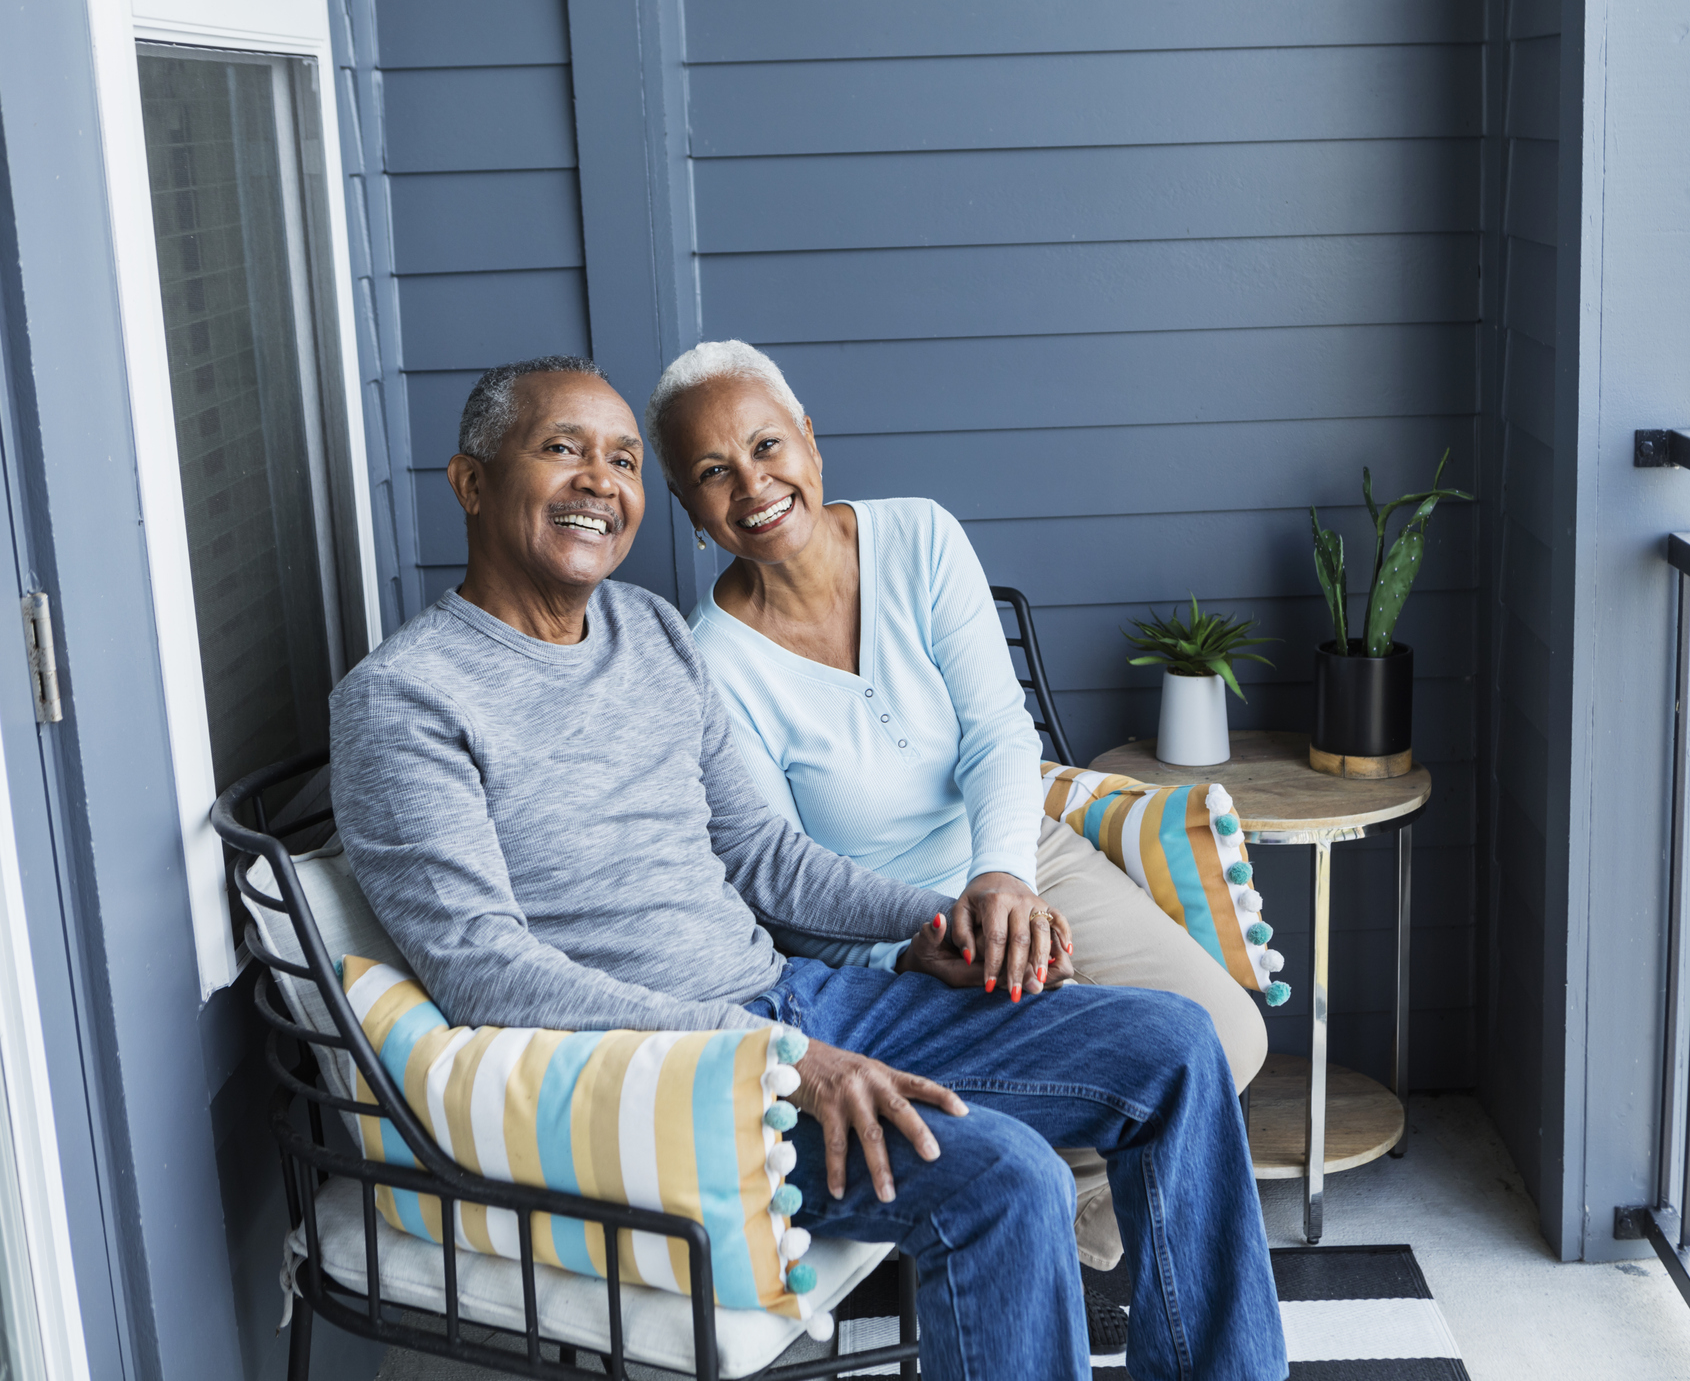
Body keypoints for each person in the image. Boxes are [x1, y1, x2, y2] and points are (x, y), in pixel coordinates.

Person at [327, 355, 1285, 1381]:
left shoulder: (646, 630)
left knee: (1176, 1047)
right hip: (671, 1076)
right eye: (561, 449)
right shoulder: (407, 701)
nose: (600, 481)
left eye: (618, 458)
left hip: (795, 1001)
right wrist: (772, 1057)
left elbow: (761, 855)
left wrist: (932, 926)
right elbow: (485, 971)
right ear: (471, 482)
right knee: (1007, 1178)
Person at [647, 339, 1269, 1280]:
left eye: (768, 446)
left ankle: (1071, 1205)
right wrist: (910, 942)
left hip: (1017, 855)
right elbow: (776, 874)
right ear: (688, 504)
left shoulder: (920, 536)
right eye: (711, 472)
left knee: (1227, 1039)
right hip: (888, 942)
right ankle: (1038, 1204)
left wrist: (1005, 873)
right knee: (1055, 1098)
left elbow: (996, 735)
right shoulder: (712, 664)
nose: (752, 485)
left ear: (810, 440)